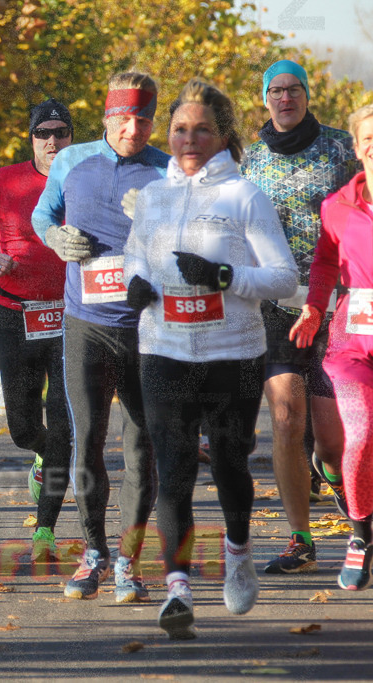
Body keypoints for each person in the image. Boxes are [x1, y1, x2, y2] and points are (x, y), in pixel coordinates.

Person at [124, 79, 298, 639]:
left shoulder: (244, 195)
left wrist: (226, 277)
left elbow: (286, 281)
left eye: (201, 129)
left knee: (228, 467)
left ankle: (238, 550)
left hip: (233, 354)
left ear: (223, 134)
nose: (189, 139)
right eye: (179, 129)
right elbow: (135, 258)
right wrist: (135, 284)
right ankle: (177, 588)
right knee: (171, 470)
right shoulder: (152, 196)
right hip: (164, 350)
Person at [33, 74, 170, 602]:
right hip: (86, 323)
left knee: (141, 446)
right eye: (124, 117)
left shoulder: (166, 169)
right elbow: (45, 210)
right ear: (108, 118)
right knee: (86, 439)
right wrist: (53, 236)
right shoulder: (72, 161)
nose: (133, 127)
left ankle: (129, 562)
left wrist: (160, 219)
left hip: (148, 328)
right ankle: (93, 553)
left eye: (143, 118)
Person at [241, 60, 359, 575]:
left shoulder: (340, 149)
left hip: (334, 304)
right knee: (286, 417)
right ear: (264, 98)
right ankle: (299, 540)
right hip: (274, 305)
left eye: (293, 89)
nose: (284, 98)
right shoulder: (249, 158)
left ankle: (337, 476)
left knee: (334, 439)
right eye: (275, 90)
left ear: (307, 95)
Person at [0, 98, 73, 563]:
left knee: (63, 420)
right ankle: (40, 452)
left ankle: (44, 529)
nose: (52, 140)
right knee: (24, 427)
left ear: (71, 137)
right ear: (31, 139)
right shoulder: (4, 181)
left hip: (71, 315)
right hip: (15, 313)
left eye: (61, 132)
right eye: (43, 132)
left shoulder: (85, 179)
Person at [290, 104, 373, 590]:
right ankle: (361, 535)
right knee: (359, 434)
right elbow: (323, 263)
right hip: (353, 342)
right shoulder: (337, 205)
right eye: (368, 136)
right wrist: (314, 309)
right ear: (358, 146)